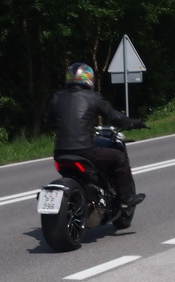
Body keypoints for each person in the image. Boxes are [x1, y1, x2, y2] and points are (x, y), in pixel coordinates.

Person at [45, 62, 147, 210]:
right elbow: (115, 117)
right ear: (88, 78)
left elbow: (48, 121)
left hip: (60, 154)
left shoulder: (57, 97)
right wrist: (133, 123)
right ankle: (126, 198)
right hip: (85, 152)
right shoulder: (93, 97)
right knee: (119, 158)